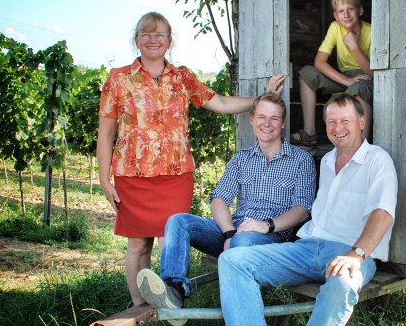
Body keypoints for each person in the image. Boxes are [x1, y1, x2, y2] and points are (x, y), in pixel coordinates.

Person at [97, 11, 285, 307]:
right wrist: (104, 180)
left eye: (159, 35)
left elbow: (220, 102)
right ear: (136, 41)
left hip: (175, 175)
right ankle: (141, 309)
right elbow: (106, 134)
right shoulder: (118, 79)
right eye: (146, 34)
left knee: (170, 242)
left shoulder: (182, 78)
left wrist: (262, 99)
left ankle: (170, 301)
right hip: (132, 176)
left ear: (169, 41)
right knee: (138, 247)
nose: (153, 40)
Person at [219, 93, 398, 326]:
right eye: (332, 122)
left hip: (349, 253)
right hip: (307, 248)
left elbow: (382, 213)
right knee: (232, 259)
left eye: (345, 121)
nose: (338, 127)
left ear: (361, 122)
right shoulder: (326, 161)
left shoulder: (377, 160)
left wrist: (356, 255)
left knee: (342, 283)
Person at [135, 92, 317, 317]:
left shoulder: (301, 160)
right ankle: (175, 290)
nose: (266, 124)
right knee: (178, 221)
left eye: (274, 118)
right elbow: (219, 198)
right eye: (261, 117)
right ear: (251, 119)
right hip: (234, 231)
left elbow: (302, 210)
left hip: (272, 237)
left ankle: (241, 312)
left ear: (283, 123)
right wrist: (229, 233)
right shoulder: (241, 159)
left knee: (245, 238)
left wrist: (266, 225)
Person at [291, 0, 374, 145]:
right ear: (336, 15)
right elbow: (319, 62)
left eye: (350, 9)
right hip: (346, 77)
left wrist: (354, 47)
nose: (346, 15)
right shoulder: (335, 27)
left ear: (360, 10)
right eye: (341, 11)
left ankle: (362, 143)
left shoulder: (370, 32)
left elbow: (373, 72)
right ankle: (309, 133)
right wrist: (346, 81)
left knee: (357, 89)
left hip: (366, 78)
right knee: (307, 73)